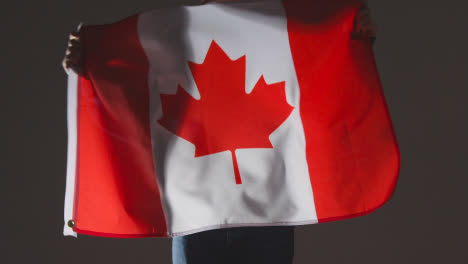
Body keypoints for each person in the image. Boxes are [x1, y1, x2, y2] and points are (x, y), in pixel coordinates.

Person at [62, 1, 376, 263]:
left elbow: (316, 63)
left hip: (265, 206)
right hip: (198, 210)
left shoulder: (274, 26)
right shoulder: (174, 33)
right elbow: (130, 88)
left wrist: (349, 36)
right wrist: (90, 63)